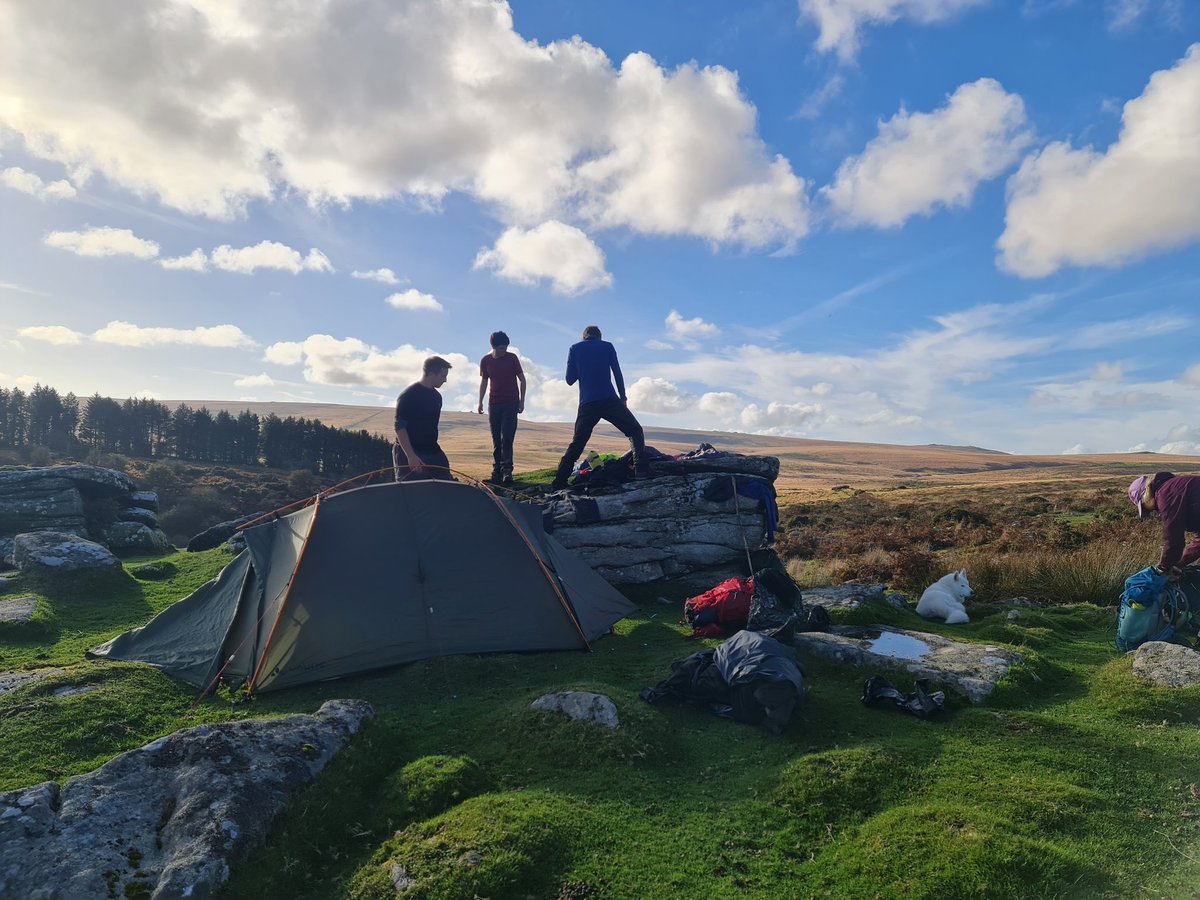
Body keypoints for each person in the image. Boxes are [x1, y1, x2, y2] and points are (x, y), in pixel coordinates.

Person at [550, 325, 646, 490]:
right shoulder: (607, 346)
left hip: (587, 403)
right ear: (599, 337)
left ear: (584, 337)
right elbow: (617, 372)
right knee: (635, 431)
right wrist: (623, 397)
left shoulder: (574, 348)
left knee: (577, 443)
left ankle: (559, 480)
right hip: (609, 399)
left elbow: (569, 379)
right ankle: (642, 472)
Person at [477, 331, 526, 485]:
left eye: (505, 347)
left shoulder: (512, 358)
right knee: (496, 439)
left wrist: (521, 401)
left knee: (507, 438)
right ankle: (496, 471)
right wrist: (480, 401)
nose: (504, 351)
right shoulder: (485, 361)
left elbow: (522, 380)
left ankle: (507, 471)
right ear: (493, 347)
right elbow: (484, 381)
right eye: (501, 348)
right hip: (494, 404)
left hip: (511, 404)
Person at [1128, 472, 1200, 577]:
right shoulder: (1175, 487)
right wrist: (1179, 564)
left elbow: (1174, 538)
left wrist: (1163, 569)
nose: (1153, 510)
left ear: (1145, 495)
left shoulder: (1166, 494)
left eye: (1144, 506)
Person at [393, 356, 453, 481]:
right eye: (443, 376)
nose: (445, 380)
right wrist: (411, 456)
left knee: (446, 485)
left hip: (433, 451)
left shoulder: (437, 397)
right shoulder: (409, 396)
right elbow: (400, 427)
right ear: (431, 373)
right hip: (411, 452)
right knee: (411, 492)